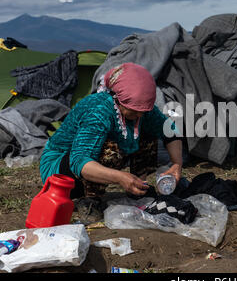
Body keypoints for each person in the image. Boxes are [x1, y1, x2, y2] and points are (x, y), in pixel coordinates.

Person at [39, 62, 182, 203]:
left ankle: (138, 186)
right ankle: (91, 200)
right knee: (109, 149)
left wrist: (177, 164)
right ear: (118, 98)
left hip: (84, 164)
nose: (139, 115)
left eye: (142, 111)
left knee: (148, 133)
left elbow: (169, 130)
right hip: (60, 172)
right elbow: (79, 161)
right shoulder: (98, 111)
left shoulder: (142, 111)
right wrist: (120, 177)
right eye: (134, 110)